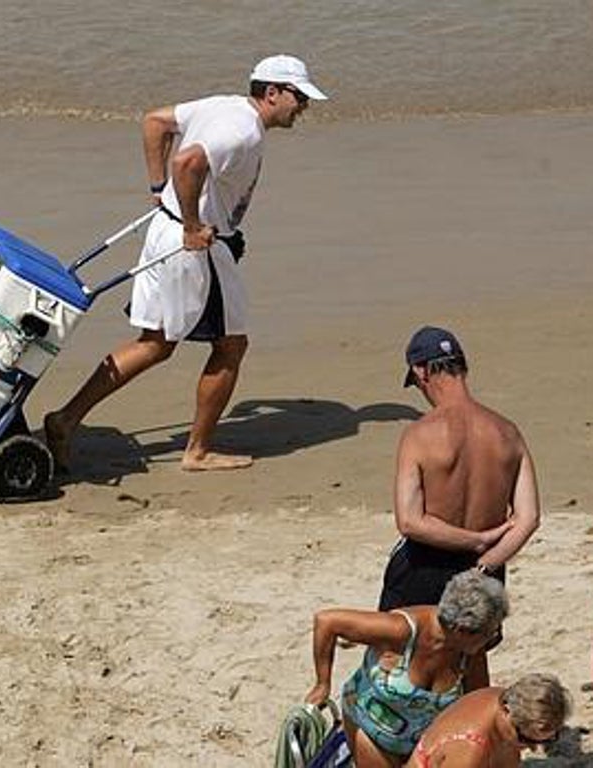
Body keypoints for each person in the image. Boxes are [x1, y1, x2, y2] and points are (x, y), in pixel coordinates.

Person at [43, 55, 327, 473]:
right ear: (272, 92)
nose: (303, 106)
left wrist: (158, 189)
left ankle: (65, 420)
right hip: (194, 247)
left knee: (154, 343)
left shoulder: (223, 105)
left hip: (165, 233)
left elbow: (155, 121)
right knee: (231, 346)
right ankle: (197, 451)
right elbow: (187, 162)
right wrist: (193, 226)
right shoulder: (242, 130)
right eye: (299, 97)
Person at [379, 326, 541, 689]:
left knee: (395, 658)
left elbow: (410, 522)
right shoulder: (507, 432)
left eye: (417, 382)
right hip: (485, 571)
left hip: (425, 564)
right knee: (472, 660)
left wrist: (474, 540)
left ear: (422, 372)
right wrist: (485, 561)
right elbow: (528, 518)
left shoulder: (419, 434)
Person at [305, 570, 507, 768]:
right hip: (371, 726)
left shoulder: (470, 654)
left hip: (422, 738)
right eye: (490, 633)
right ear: (461, 630)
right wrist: (322, 684)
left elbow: (475, 705)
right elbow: (327, 622)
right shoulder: (400, 630)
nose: (493, 639)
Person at [406, 674, 570, 767]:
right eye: (525, 740)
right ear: (507, 712)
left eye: (548, 740)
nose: (533, 749)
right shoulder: (469, 750)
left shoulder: (503, 698)